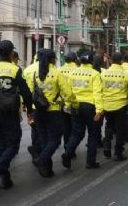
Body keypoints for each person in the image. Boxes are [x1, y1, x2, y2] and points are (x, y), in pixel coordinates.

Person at [0, 40, 33, 191]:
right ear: (10, 53)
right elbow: (26, 92)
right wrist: (30, 110)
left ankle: (5, 179)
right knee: (13, 145)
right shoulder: (15, 69)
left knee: (0, 142)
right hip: (8, 111)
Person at [26, 48, 73, 177]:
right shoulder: (56, 73)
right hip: (53, 111)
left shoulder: (34, 73)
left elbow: (30, 91)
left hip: (37, 111)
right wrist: (71, 102)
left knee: (44, 139)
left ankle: (47, 170)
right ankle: (41, 160)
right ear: (52, 59)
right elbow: (68, 93)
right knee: (55, 140)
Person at [62, 51, 104, 169]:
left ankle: (68, 153)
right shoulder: (95, 74)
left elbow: (68, 91)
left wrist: (67, 104)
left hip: (76, 106)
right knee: (93, 134)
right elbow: (97, 93)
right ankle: (90, 162)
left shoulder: (73, 73)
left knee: (76, 133)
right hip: (90, 107)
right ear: (91, 61)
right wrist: (99, 110)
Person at [96, 52, 128, 161]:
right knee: (120, 130)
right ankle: (118, 152)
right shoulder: (126, 74)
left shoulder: (103, 74)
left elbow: (98, 89)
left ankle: (106, 146)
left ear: (111, 61)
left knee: (109, 126)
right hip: (121, 105)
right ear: (121, 61)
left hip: (106, 105)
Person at [58, 52, 78, 146]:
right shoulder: (78, 70)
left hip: (62, 101)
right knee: (74, 126)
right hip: (74, 101)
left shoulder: (58, 70)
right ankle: (71, 147)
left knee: (66, 126)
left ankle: (66, 145)